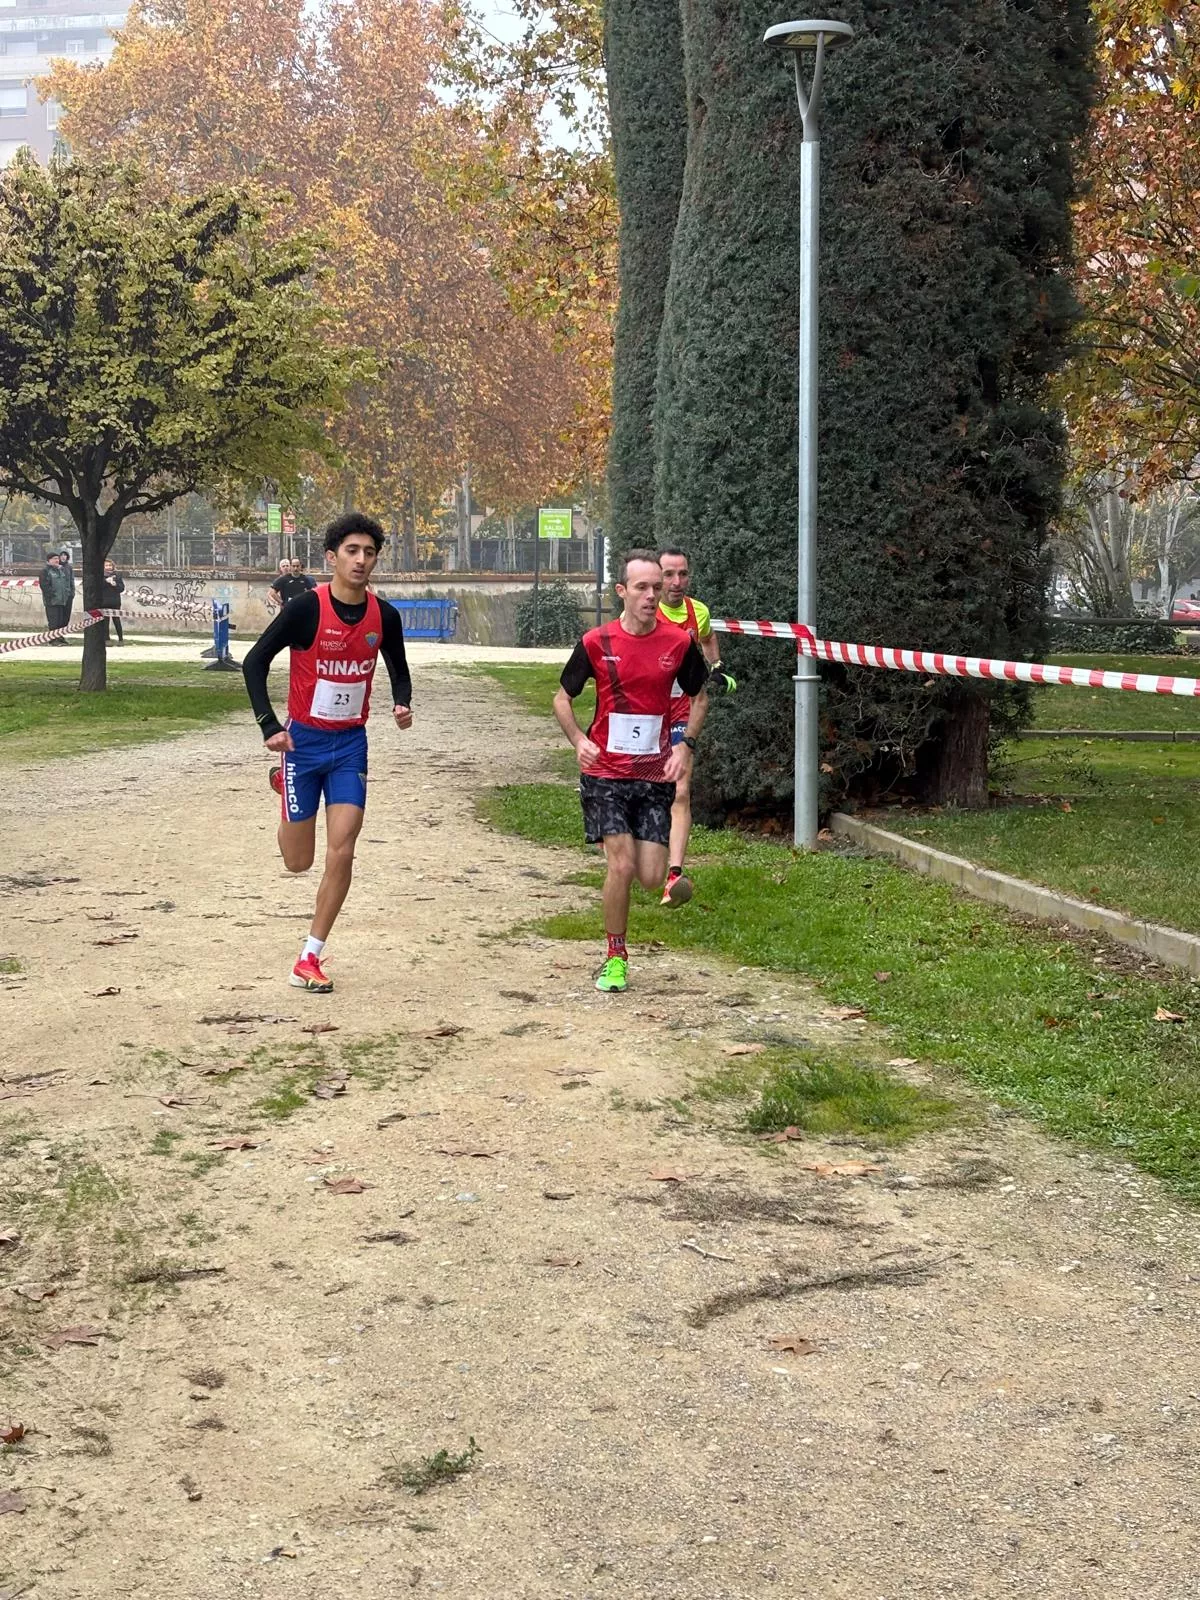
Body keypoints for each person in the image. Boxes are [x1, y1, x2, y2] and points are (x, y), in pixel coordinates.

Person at [242, 512, 413, 994]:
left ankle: (310, 955)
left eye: (370, 553)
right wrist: (268, 727)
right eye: (352, 551)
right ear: (332, 558)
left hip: (349, 746)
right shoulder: (305, 609)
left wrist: (403, 702)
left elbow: (398, 668)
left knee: (343, 849)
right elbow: (254, 663)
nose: (361, 561)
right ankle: (284, 785)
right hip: (302, 744)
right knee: (298, 861)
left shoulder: (386, 616)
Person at [553, 549, 709, 994]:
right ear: (621, 591)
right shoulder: (596, 642)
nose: (651, 595)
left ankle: (658, 888)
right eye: (642, 587)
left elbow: (700, 697)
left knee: (650, 877)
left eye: (656, 588)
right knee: (620, 864)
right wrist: (579, 741)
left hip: (654, 774)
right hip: (606, 772)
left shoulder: (678, 644)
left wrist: (686, 744)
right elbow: (561, 699)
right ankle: (615, 956)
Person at [656, 547, 737, 903]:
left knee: (681, 789)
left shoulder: (697, 611)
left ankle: (674, 875)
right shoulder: (646, 610)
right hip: (644, 714)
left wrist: (717, 668)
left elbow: (707, 638)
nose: (676, 582)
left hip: (680, 712)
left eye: (682, 574)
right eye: (669, 575)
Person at [40, 549, 68, 640]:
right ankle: (53, 639)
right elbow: (45, 586)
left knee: (61, 621)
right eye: (54, 558)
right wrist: (52, 595)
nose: (57, 560)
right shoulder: (45, 571)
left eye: (58, 558)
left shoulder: (60, 570)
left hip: (62, 600)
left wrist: (66, 594)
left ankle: (59, 637)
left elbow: (65, 584)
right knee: (54, 621)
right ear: (49, 560)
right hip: (52, 601)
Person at [102, 558, 125, 644]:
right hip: (104, 602)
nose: (108, 567)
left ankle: (120, 639)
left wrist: (115, 584)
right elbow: (98, 587)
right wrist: (105, 581)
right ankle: (107, 639)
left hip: (115, 602)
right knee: (105, 621)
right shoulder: (100, 576)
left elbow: (121, 588)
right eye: (106, 565)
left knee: (116, 620)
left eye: (109, 565)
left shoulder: (117, 576)